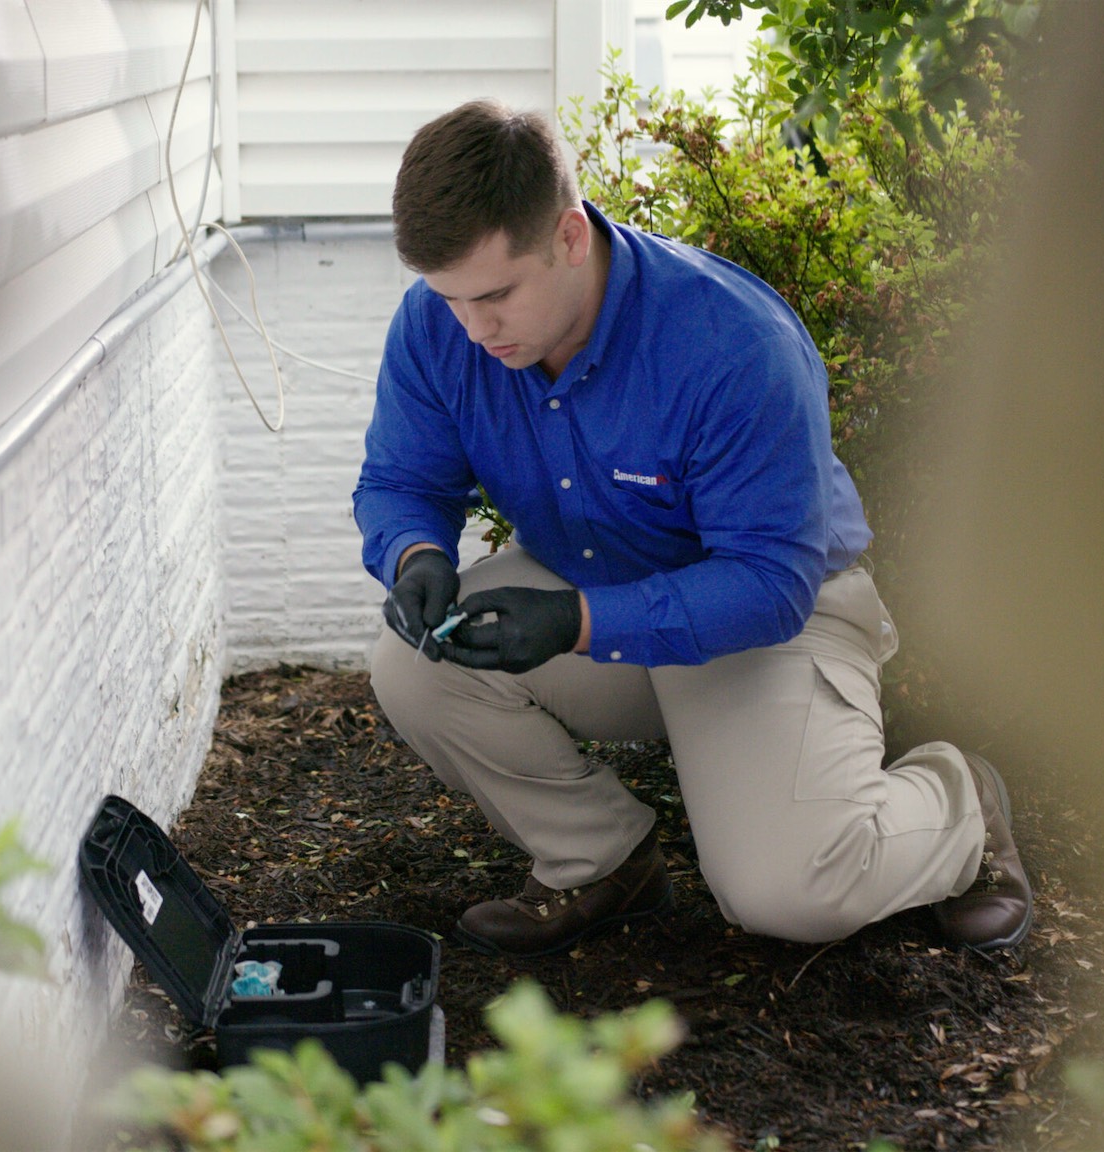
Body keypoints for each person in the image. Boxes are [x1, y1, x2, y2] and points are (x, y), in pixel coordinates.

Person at [352, 100, 1031, 959]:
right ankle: (599, 861)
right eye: (449, 299)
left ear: (568, 235)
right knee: (414, 664)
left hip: (766, 621)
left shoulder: (732, 345)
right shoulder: (438, 326)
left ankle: (959, 800)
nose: (473, 329)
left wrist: (578, 623)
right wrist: (414, 554)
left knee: (790, 893)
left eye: (494, 296)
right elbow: (402, 480)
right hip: (600, 594)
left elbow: (771, 586)